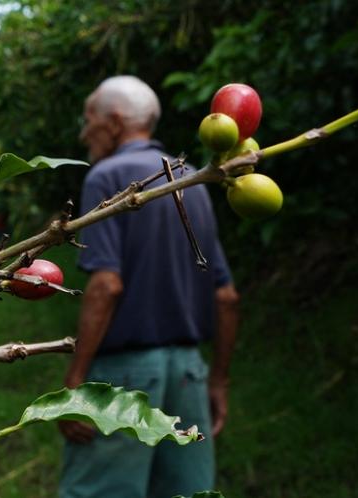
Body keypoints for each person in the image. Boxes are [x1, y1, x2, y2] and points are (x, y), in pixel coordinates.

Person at [58, 75, 241, 498]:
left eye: (89, 120)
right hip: (188, 376)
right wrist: (217, 380)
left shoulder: (107, 177)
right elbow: (226, 296)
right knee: (187, 491)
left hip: (125, 376)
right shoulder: (193, 180)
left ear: (115, 121)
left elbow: (106, 285)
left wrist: (75, 381)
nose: (85, 132)